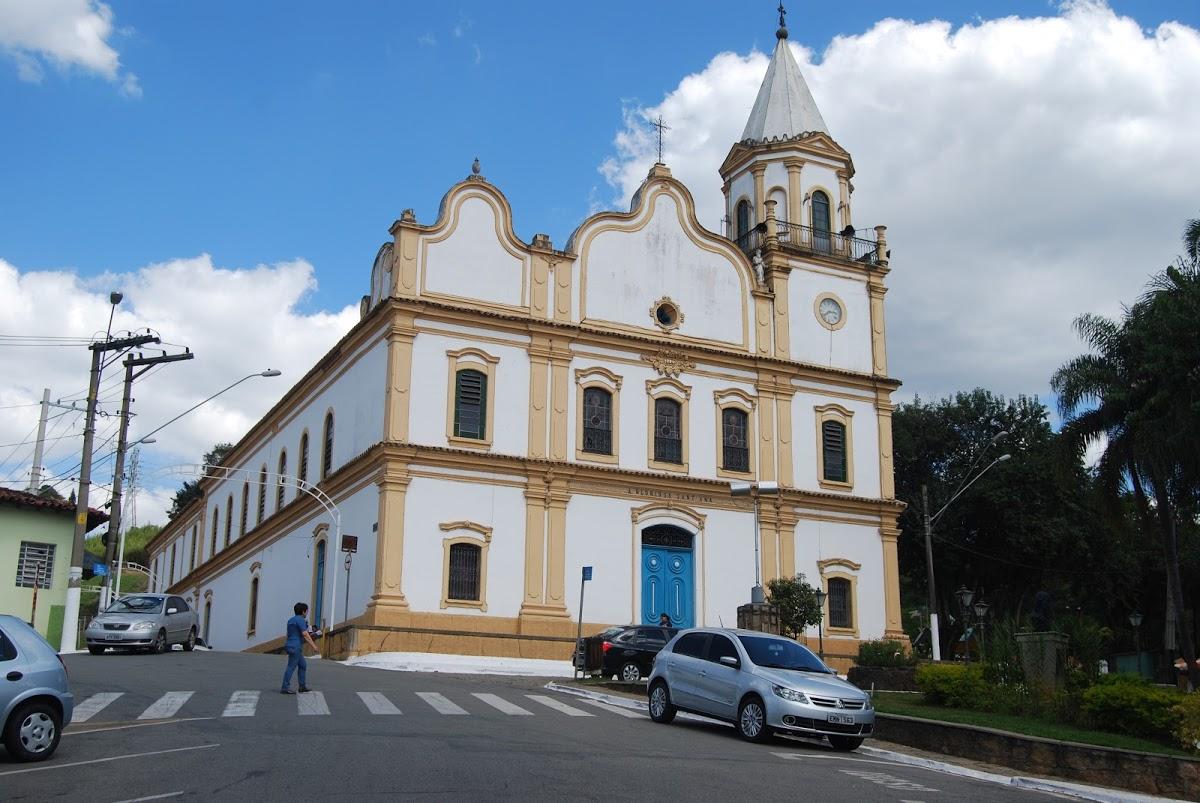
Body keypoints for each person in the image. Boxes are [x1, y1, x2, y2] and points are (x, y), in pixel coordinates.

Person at [281, 602, 319, 694]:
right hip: (296, 645)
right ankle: (285, 687)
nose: (307, 613)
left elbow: (290, 633)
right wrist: (314, 645)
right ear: (303, 612)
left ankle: (302, 686)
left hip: (290, 644)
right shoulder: (300, 620)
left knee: (302, 665)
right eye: (306, 611)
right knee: (291, 666)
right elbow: (305, 634)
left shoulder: (291, 620)